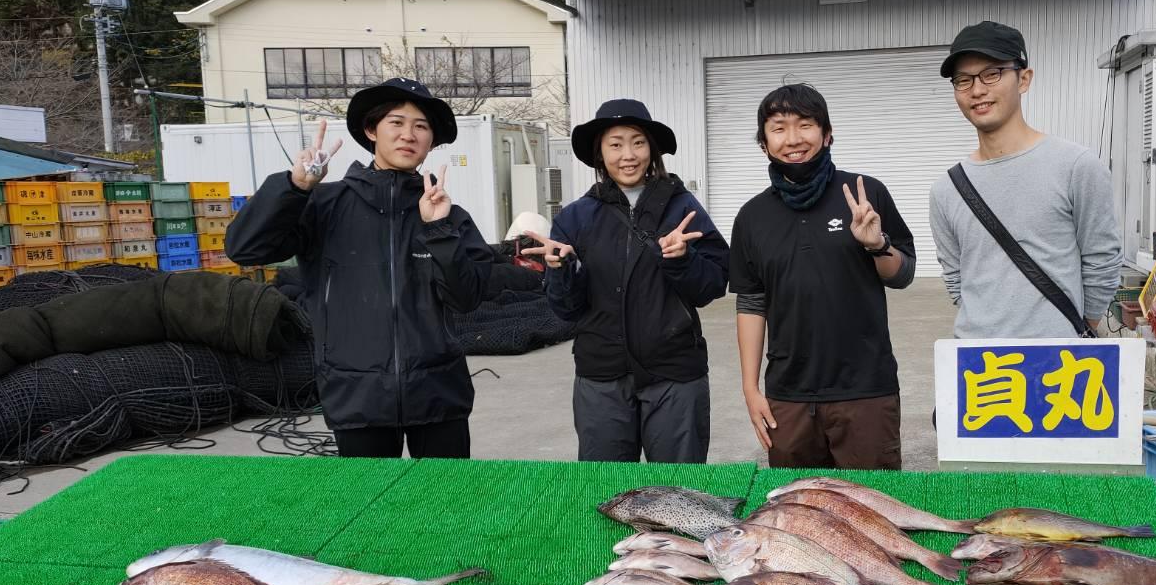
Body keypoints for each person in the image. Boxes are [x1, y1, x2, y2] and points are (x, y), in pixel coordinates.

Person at [226, 77, 494, 458]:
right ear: (371, 131)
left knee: (444, 511)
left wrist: (438, 231)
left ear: (431, 140)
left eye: (421, 126)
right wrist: (294, 186)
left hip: (438, 393)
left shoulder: (448, 216)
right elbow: (245, 248)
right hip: (356, 395)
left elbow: (467, 296)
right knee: (370, 511)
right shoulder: (324, 205)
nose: (409, 135)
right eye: (396, 123)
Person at [522, 99, 729, 463]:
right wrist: (560, 270)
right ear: (600, 154)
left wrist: (683, 260)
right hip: (601, 374)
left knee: (677, 489)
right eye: (615, 144)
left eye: (638, 142)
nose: (628, 155)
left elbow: (712, 287)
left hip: (675, 372)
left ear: (652, 149)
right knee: (605, 489)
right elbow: (567, 310)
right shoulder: (576, 217)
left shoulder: (683, 208)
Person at [729, 84, 915, 471]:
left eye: (806, 125)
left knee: (871, 507)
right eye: (778, 128)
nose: (793, 139)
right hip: (789, 395)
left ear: (827, 134)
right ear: (764, 142)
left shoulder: (865, 195)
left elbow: (902, 274)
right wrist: (750, 388)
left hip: (865, 390)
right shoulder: (751, 217)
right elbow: (751, 301)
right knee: (798, 514)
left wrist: (876, 244)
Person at [929, 21, 1122, 339]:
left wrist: (1080, 326)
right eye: (963, 81)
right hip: (981, 370)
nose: (977, 90)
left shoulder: (1076, 166)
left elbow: (1101, 258)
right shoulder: (946, 190)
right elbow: (955, 276)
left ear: (1024, 79)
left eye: (992, 74)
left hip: (1060, 365)